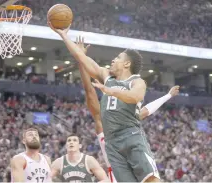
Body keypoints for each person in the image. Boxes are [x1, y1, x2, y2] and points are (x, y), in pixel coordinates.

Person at [48, 24, 167, 182]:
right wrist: (64, 35)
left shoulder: (136, 81)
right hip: (111, 143)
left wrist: (111, 91)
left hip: (130, 135)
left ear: (127, 64)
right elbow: (83, 59)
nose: (113, 59)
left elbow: (135, 96)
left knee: (150, 180)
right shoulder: (106, 76)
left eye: (118, 58)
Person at [75, 37, 180, 182]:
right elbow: (89, 92)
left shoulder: (129, 116)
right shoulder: (102, 122)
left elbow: (145, 110)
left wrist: (167, 96)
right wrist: (82, 60)